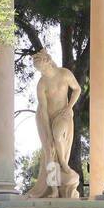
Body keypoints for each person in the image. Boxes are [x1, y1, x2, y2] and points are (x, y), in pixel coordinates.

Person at [27, 49, 82, 199]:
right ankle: (54, 191)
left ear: (49, 62)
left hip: (63, 114)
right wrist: (46, 133)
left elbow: (77, 89)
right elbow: (43, 110)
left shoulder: (64, 74)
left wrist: (69, 107)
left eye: (42, 68)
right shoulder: (42, 84)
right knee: (50, 151)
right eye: (39, 70)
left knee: (58, 135)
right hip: (45, 117)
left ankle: (64, 164)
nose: (41, 72)